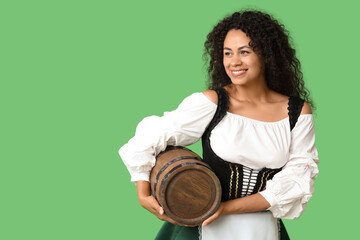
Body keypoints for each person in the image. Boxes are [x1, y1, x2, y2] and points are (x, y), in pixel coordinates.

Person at [119, 10, 319, 240]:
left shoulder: (297, 112)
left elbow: (297, 179)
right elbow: (148, 138)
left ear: (266, 55)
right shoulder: (213, 103)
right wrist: (143, 194)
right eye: (227, 53)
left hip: (263, 230)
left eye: (244, 52)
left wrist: (226, 208)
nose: (234, 62)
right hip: (201, 226)